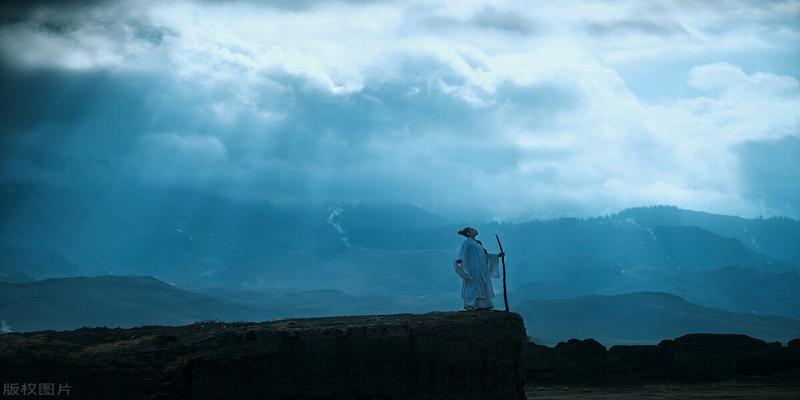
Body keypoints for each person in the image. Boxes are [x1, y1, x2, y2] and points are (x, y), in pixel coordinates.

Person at [453, 227, 504, 310]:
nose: (475, 230)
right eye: (472, 229)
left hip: (481, 268)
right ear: (468, 233)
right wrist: (460, 260)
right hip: (472, 268)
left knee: (481, 284)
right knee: (473, 284)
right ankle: (471, 304)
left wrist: (497, 256)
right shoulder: (467, 243)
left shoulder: (478, 243)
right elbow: (463, 253)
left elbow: (484, 256)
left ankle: (482, 305)